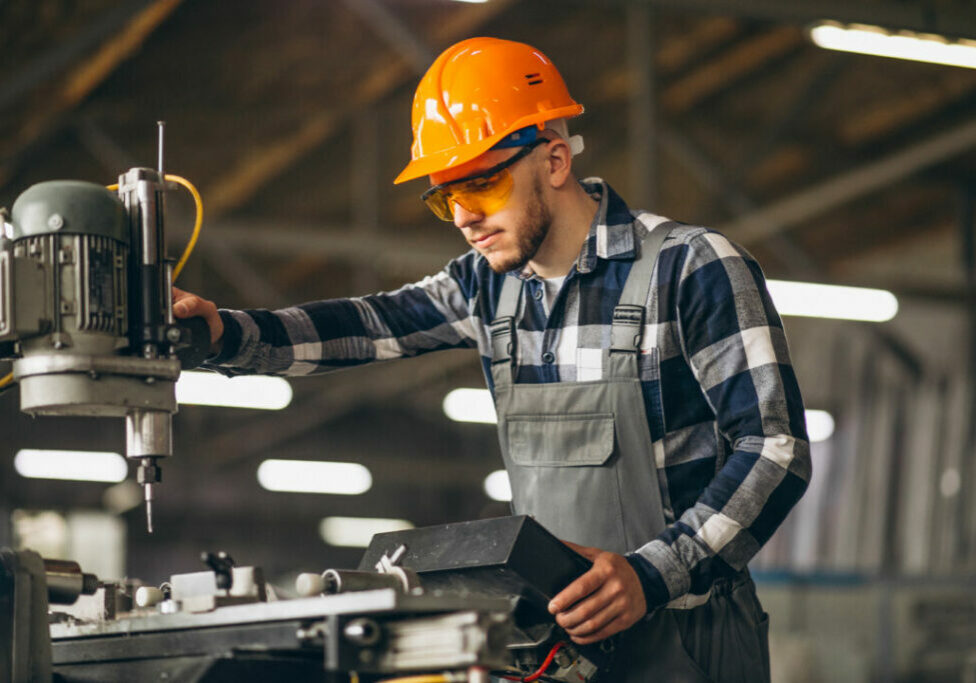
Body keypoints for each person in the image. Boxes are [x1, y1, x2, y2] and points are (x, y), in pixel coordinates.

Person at [174, 37, 810, 682]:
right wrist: (226, 334)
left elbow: (775, 449)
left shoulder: (690, 266)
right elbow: (368, 324)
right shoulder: (485, 287)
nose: (462, 216)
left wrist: (652, 574)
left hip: (688, 641)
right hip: (553, 650)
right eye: (444, 196)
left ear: (554, 159)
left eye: (481, 184)